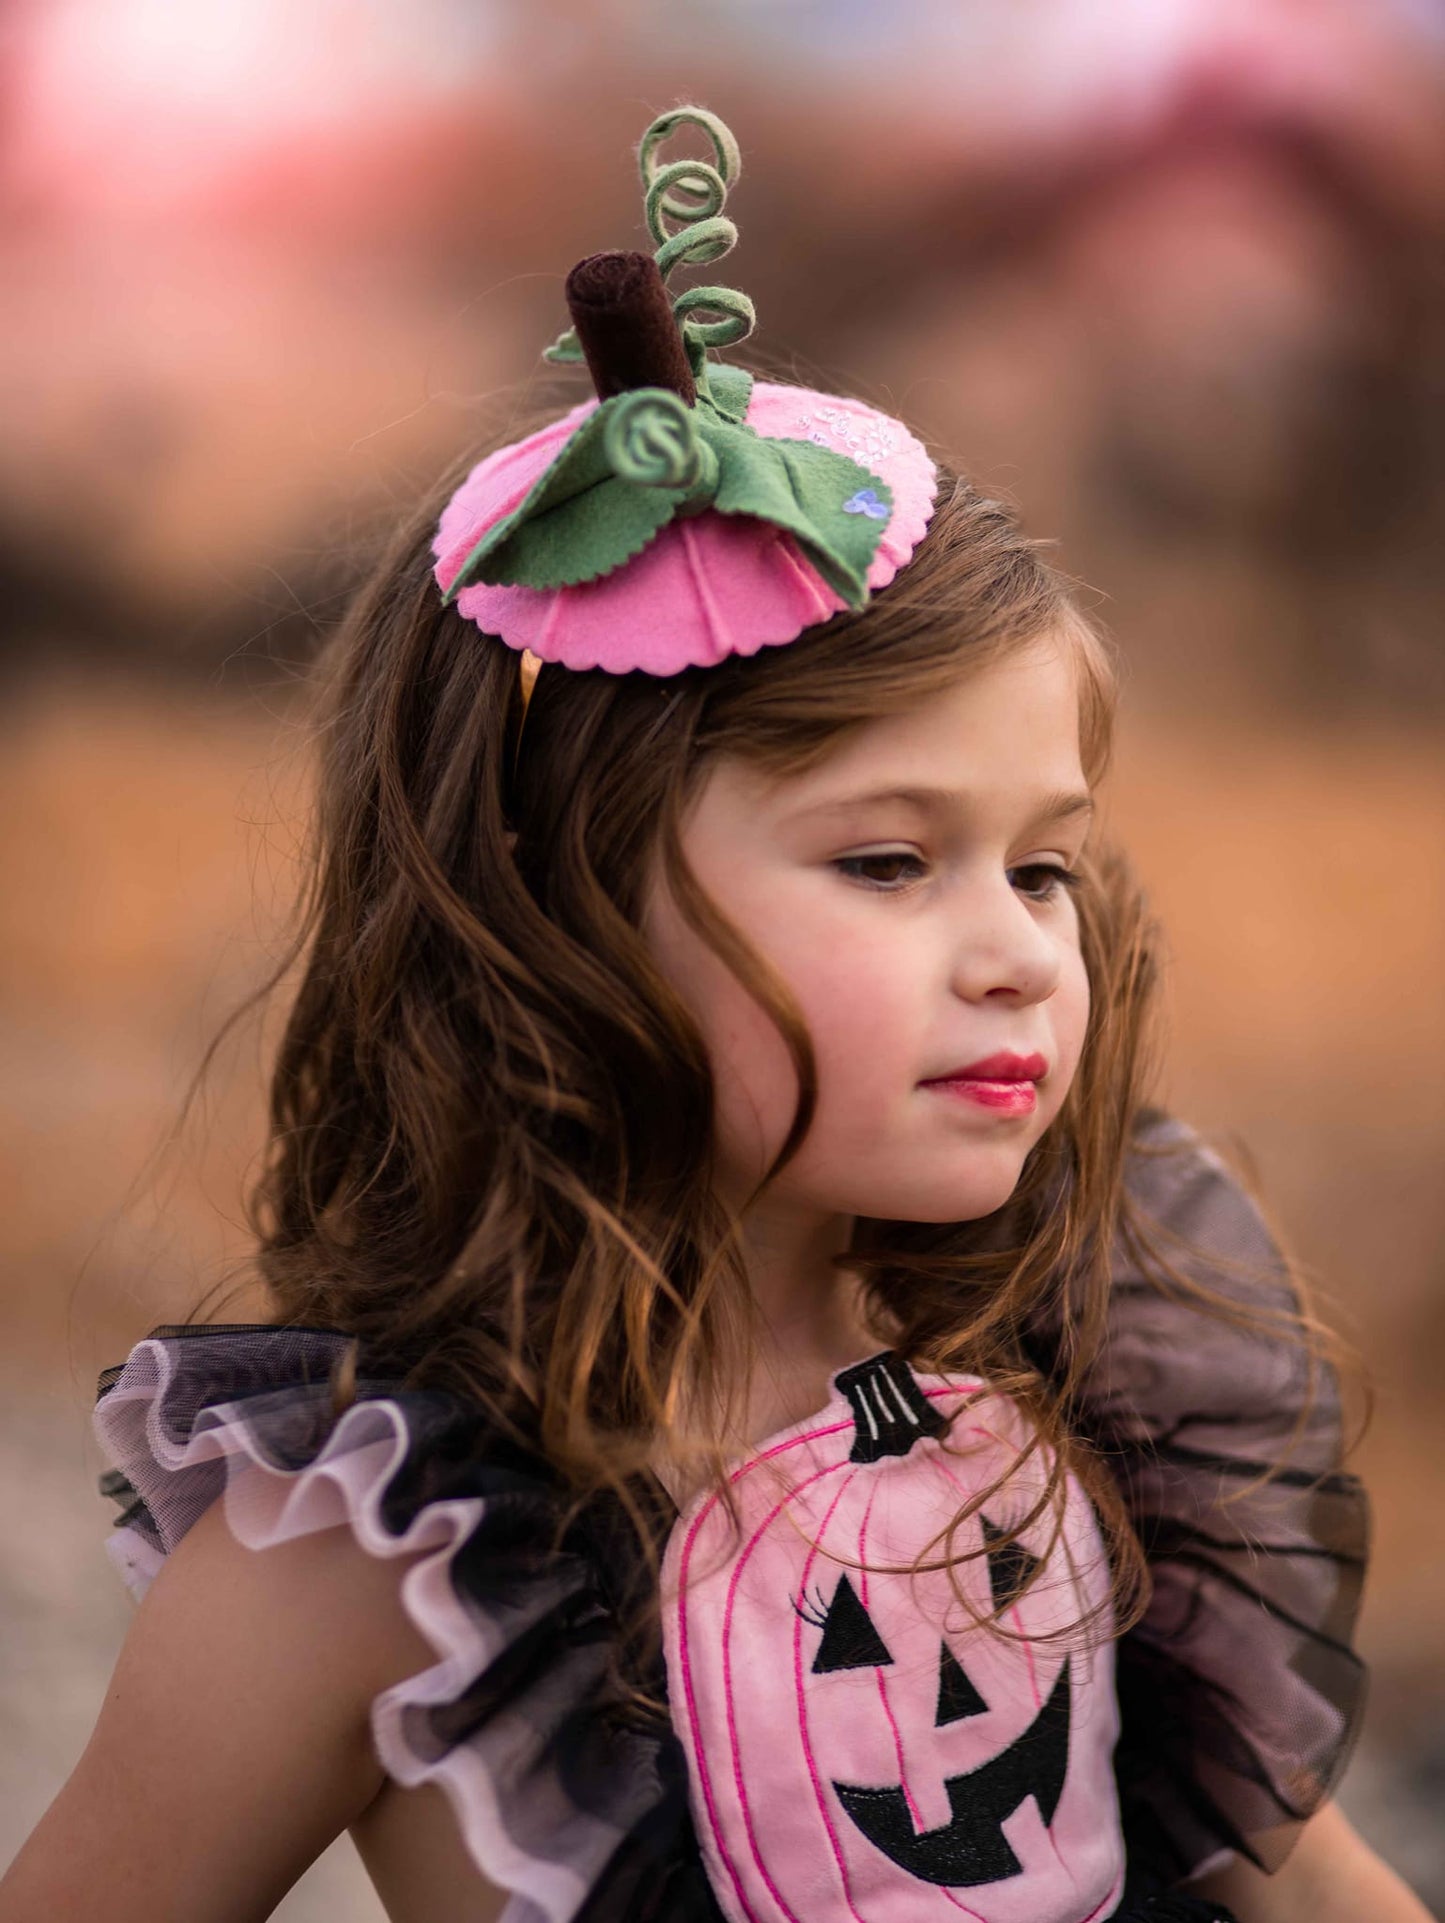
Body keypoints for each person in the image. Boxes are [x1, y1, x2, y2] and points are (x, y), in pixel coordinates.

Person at [0, 107, 1425, 1923]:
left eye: (1042, 870)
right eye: (890, 864)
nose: (1013, 955)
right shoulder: (379, 1551)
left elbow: (1305, 1887)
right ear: (558, 906)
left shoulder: (1078, 1385)